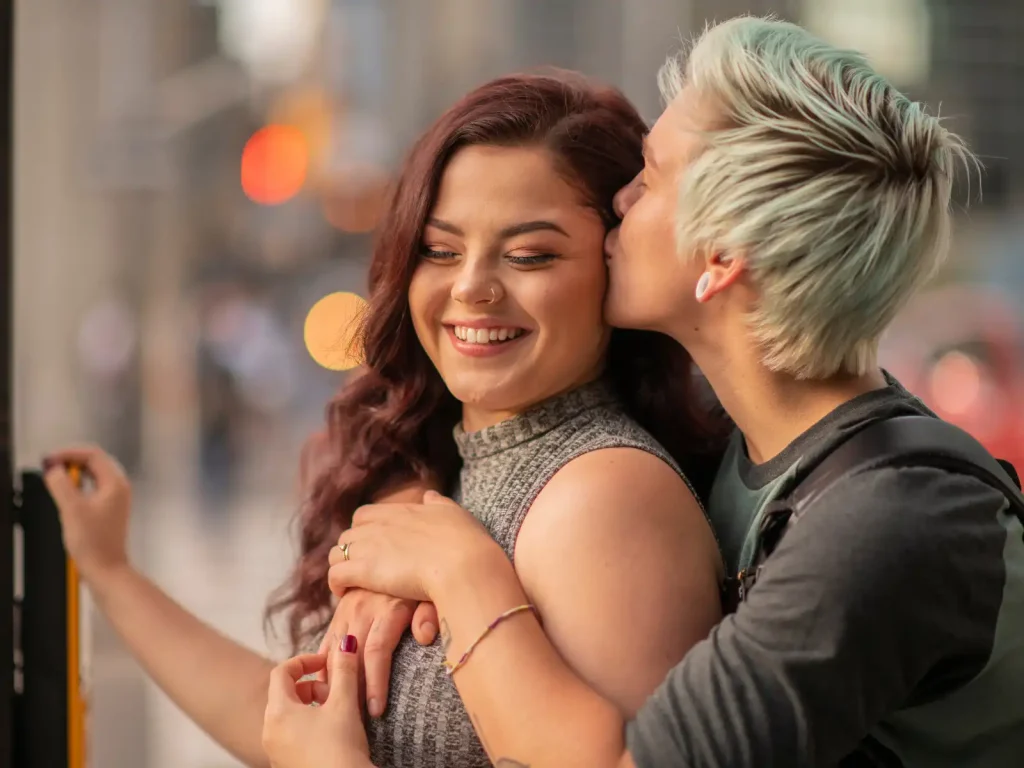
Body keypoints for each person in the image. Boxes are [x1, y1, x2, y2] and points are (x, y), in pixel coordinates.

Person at [310, 16, 1024, 768]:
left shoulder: (885, 525)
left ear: (720, 257)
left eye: (649, 178)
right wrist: (406, 523)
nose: (620, 201)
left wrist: (460, 574)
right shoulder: (750, 438)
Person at [43, 71, 727, 767]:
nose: (471, 287)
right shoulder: (458, 472)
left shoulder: (603, 496)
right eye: (440, 250)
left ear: (616, 259)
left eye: (529, 255)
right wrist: (112, 572)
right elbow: (288, 722)